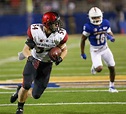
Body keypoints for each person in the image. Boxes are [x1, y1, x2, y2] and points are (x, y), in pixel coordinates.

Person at [10, 11, 68, 114]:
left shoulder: (59, 35)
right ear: (47, 23)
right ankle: (20, 108)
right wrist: (31, 58)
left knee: (36, 95)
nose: (57, 25)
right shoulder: (36, 32)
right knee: (26, 85)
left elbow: (64, 50)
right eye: (55, 23)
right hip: (34, 60)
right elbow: (25, 50)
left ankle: (19, 91)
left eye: (57, 23)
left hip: (46, 64)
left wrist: (60, 59)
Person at [80, 7, 118, 93]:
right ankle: (94, 66)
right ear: (89, 18)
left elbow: (109, 33)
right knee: (99, 69)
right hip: (95, 50)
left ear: (101, 16)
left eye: (97, 17)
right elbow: (83, 40)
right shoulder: (88, 27)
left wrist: (112, 37)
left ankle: (111, 86)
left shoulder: (106, 23)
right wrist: (82, 52)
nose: (96, 19)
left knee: (112, 67)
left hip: (105, 48)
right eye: (94, 17)